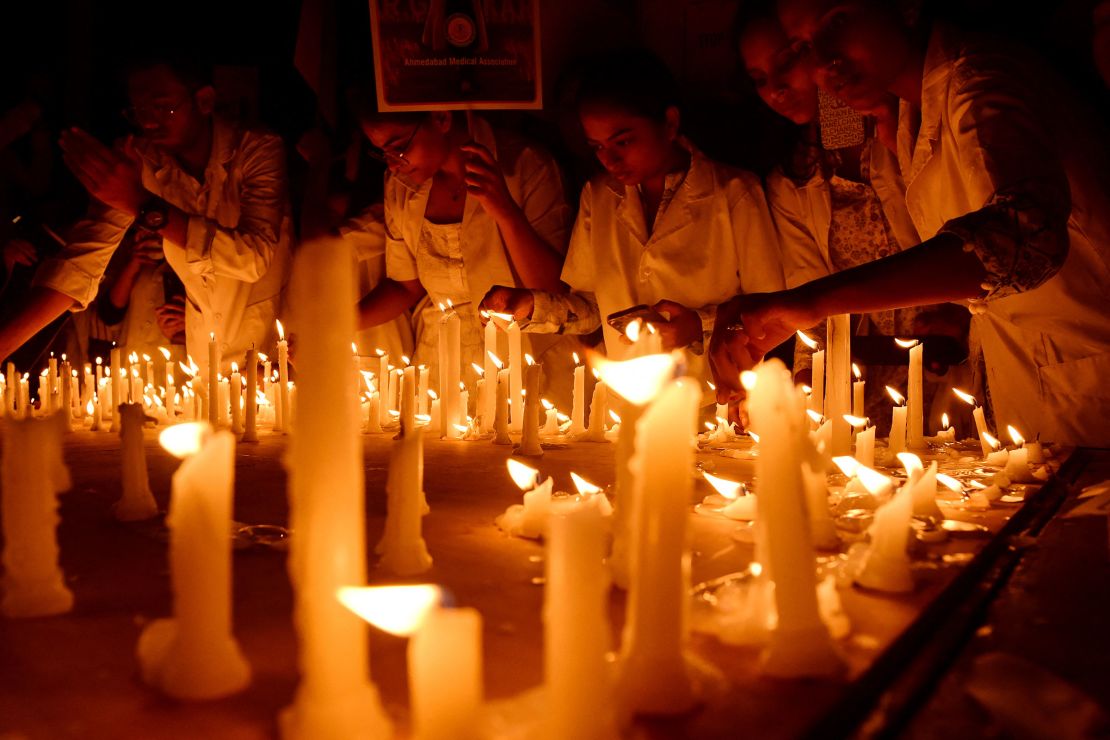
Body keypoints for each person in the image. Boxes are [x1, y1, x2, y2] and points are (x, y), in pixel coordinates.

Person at [710, 0, 1110, 446]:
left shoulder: (981, 80)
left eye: (836, 21)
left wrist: (815, 300)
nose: (824, 60)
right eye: (805, 45)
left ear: (906, 6)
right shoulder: (904, 120)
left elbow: (1024, 237)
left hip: (1090, 385)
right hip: (1036, 389)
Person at [481, 49, 784, 396]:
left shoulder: (735, 194)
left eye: (623, 141)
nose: (609, 159)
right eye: (596, 146)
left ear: (669, 123)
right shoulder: (598, 196)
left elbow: (771, 313)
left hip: (716, 403)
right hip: (630, 407)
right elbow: (592, 308)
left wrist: (697, 327)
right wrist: (532, 307)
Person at [736, 2, 967, 432]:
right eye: (759, 80)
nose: (777, 89)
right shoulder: (792, 180)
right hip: (860, 380)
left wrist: (961, 320)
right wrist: (805, 383)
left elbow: (978, 241)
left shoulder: (903, 132)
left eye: (790, 58)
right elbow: (808, 295)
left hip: (950, 360)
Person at [0, 53, 293, 380]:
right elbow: (81, 265)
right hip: (206, 359)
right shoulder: (143, 161)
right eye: (139, 112)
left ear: (204, 101)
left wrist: (141, 203)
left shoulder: (257, 150)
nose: (149, 122)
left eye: (162, 108)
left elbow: (252, 257)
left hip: (274, 354)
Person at [353, 97, 572, 395]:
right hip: (441, 363)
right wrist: (337, 325)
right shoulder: (400, 184)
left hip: (524, 359)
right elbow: (406, 286)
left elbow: (553, 291)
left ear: (441, 118)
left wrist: (505, 211)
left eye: (399, 147)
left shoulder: (525, 166)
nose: (393, 163)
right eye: (383, 153)